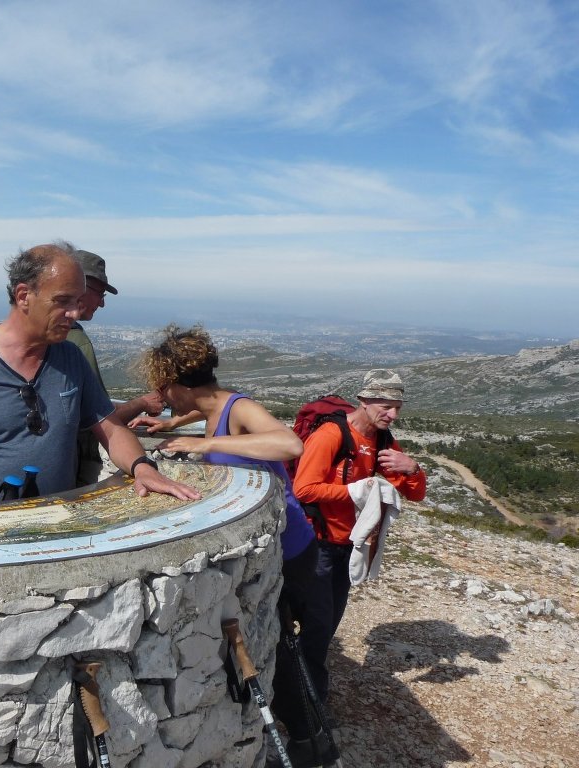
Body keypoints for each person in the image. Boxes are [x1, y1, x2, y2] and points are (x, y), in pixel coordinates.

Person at [129, 325, 322, 763]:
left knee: (283, 644)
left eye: (164, 388)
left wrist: (208, 442)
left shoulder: (239, 408)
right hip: (279, 546)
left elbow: (289, 443)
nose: (163, 395)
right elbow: (208, 415)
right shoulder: (217, 405)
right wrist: (169, 425)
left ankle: (310, 739)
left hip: (292, 547)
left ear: (179, 382)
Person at [0, 242, 201, 506]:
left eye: (77, 301)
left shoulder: (70, 358)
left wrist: (142, 467)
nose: (73, 313)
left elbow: (109, 428)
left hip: (57, 519)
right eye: (63, 301)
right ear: (23, 296)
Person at [292, 369, 426, 712]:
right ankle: (308, 706)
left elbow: (417, 494)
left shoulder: (382, 441)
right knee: (319, 627)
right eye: (385, 406)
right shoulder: (331, 435)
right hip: (317, 546)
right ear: (364, 401)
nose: (392, 414)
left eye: (397, 407)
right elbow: (304, 489)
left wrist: (412, 469)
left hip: (348, 548)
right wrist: (356, 491)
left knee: (327, 624)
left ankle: (300, 691)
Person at [68, 249, 165, 485]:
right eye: (99, 293)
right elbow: (100, 419)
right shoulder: (74, 342)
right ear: (79, 286)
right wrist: (142, 403)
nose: (102, 302)